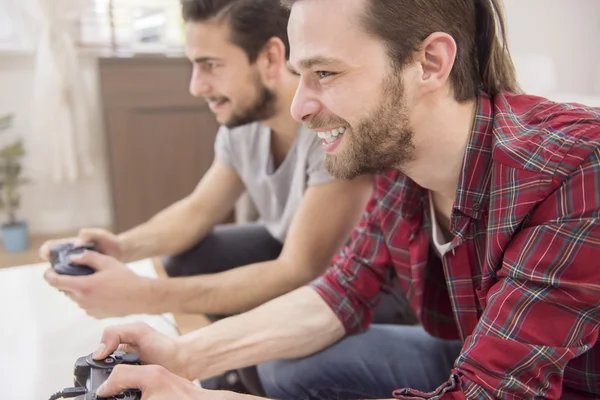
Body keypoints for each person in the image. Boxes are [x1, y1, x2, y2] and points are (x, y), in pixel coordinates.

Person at [89, 0, 600, 399]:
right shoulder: (400, 164)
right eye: (300, 74)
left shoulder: (574, 170)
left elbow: (487, 395)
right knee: (287, 365)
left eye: (325, 74)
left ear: (430, 62)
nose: (299, 106)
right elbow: (339, 294)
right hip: (476, 354)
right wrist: (184, 353)